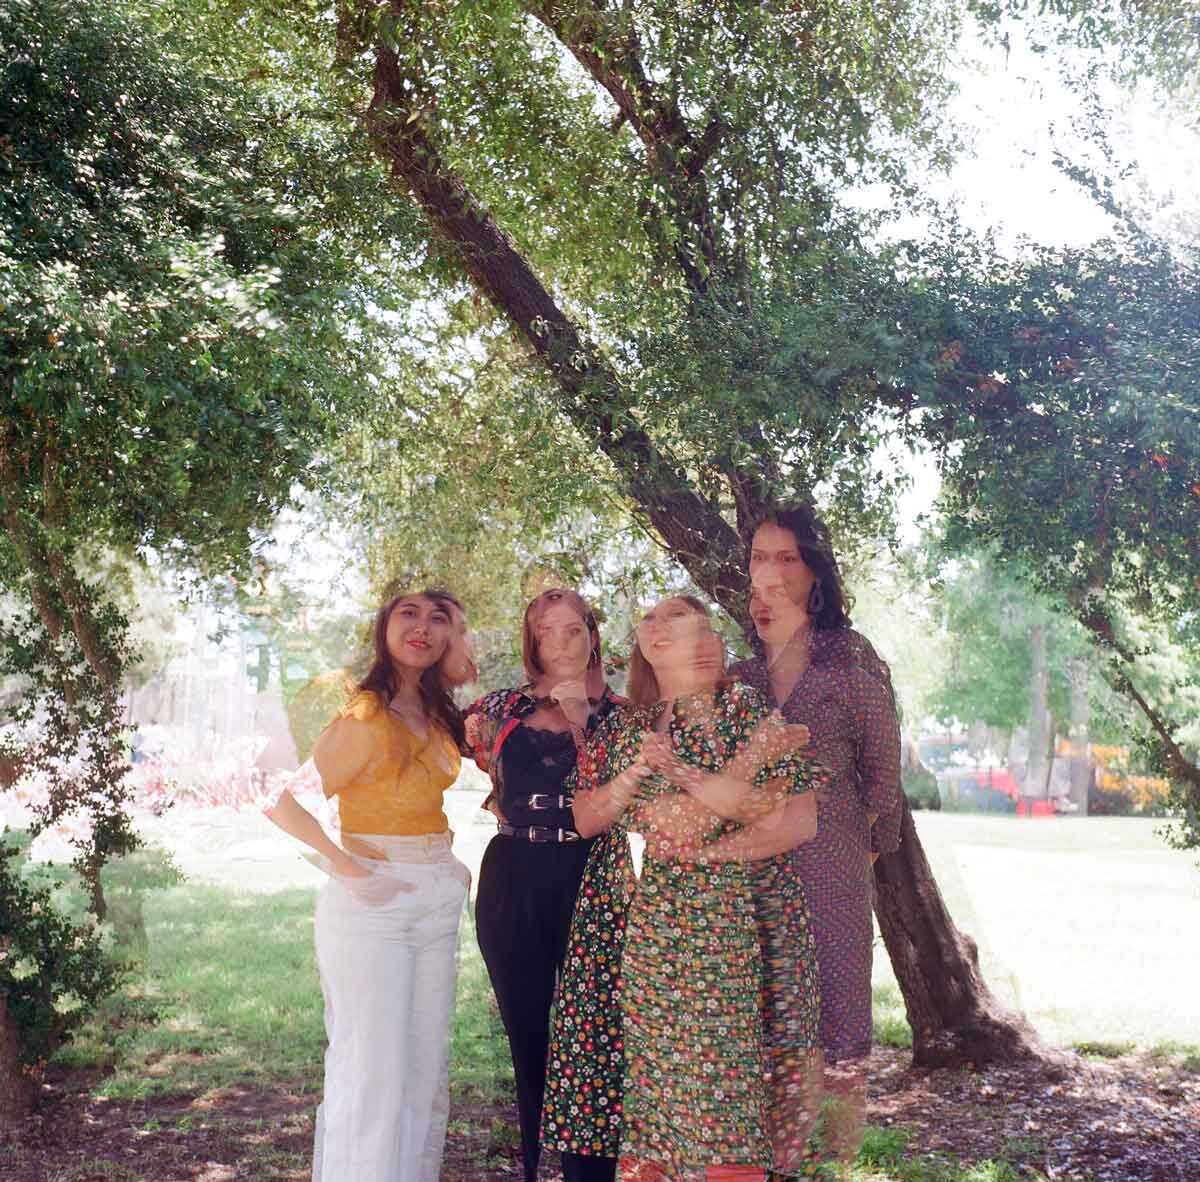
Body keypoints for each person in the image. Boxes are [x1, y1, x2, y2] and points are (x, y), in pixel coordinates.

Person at [547, 595, 823, 1181]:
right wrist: (751, 762)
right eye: (680, 635)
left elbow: (795, 821)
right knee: (665, 1096)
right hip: (669, 930)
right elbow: (679, 825)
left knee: (757, 1093)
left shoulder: (749, 708)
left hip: (759, 924)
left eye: (707, 634)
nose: (701, 648)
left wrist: (689, 782)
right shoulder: (633, 731)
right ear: (651, 648)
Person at [263, 589, 476, 1182]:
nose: (423, 628)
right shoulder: (365, 714)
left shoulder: (436, 712)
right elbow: (281, 802)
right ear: (384, 628)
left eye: (439, 620)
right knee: (372, 1073)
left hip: (434, 896)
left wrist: (448, 862)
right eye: (408, 614)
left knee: (422, 1073)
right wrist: (344, 864)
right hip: (374, 906)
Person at [735, 506, 904, 1162]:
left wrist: (852, 849)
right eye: (760, 558)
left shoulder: (849, 658)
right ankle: (774, 1163)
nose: (771, 571)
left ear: (814, 572)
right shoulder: (740, 672)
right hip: (752, 875)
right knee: (766, 1024)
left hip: (832, 870)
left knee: (838, 1028)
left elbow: (884, 778)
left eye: (787, 558)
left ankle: (834, 1163)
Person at [466, 588, 623, 1182]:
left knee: (593, 1037)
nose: (561, 641)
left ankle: (593, 1171)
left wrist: (585, 722)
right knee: (528, 1031)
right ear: (532, 642)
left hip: (593, 879)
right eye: (546, 631)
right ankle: (535, 1165)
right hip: (512, 873)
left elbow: (620, 794)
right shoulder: (498, 710)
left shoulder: (620, 714)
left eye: (573, 629)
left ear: (591, 635)